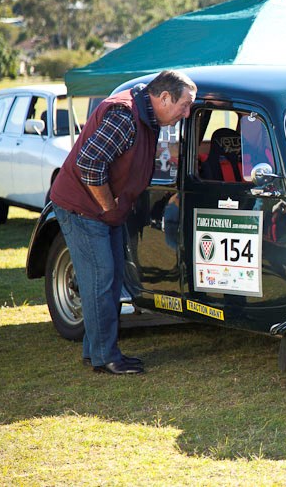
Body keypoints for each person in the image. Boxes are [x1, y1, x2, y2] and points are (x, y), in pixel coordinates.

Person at [50, 70, 197, 375]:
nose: (186, 114)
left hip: (104, 210)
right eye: (184, 106)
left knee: (112, 278)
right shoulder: (125, 114)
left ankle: (96, 350)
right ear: (165, 97)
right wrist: (108, 205)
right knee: (101, 280)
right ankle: (106, 357)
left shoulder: (146, 116)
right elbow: (89, 163)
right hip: (85, 209)